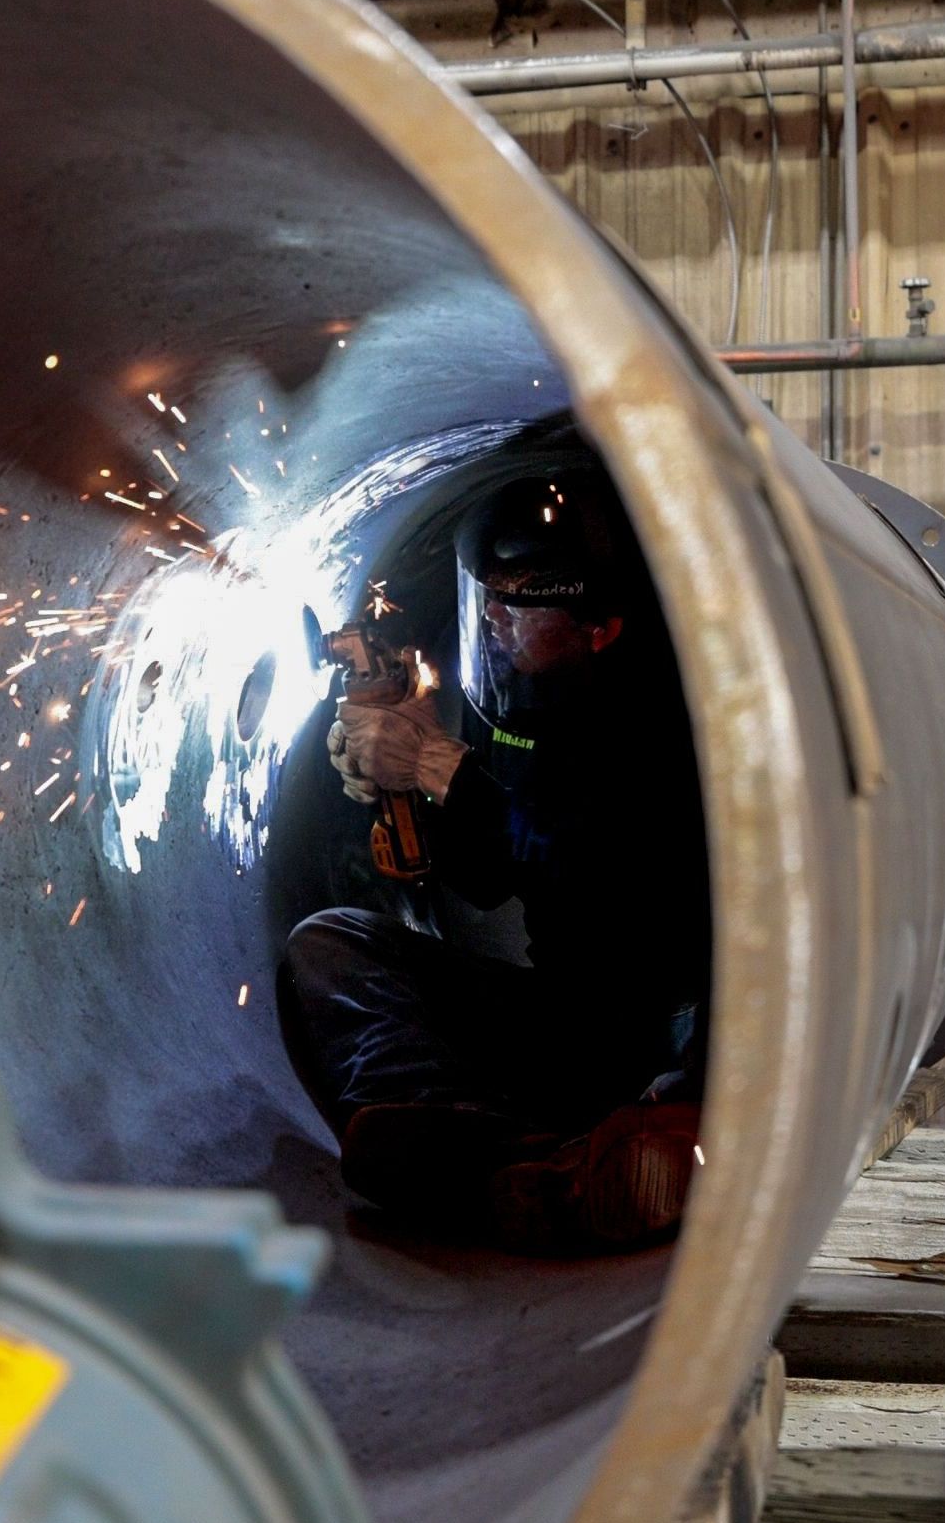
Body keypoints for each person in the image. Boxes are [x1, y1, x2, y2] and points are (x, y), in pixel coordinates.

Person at [280, 467, 711, 1252]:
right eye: (490, 595)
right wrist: (399, 793)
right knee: (329, 945)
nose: (494, 619)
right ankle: (482, 1144)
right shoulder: (516, 698)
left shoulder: (669, 716)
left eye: (520, 602)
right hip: (563, 1017)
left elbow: (605, 863)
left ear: (599, 627)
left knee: (692, 1089)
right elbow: (485, 878)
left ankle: (609, 1157)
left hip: (663, 1026)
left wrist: (440, 769)